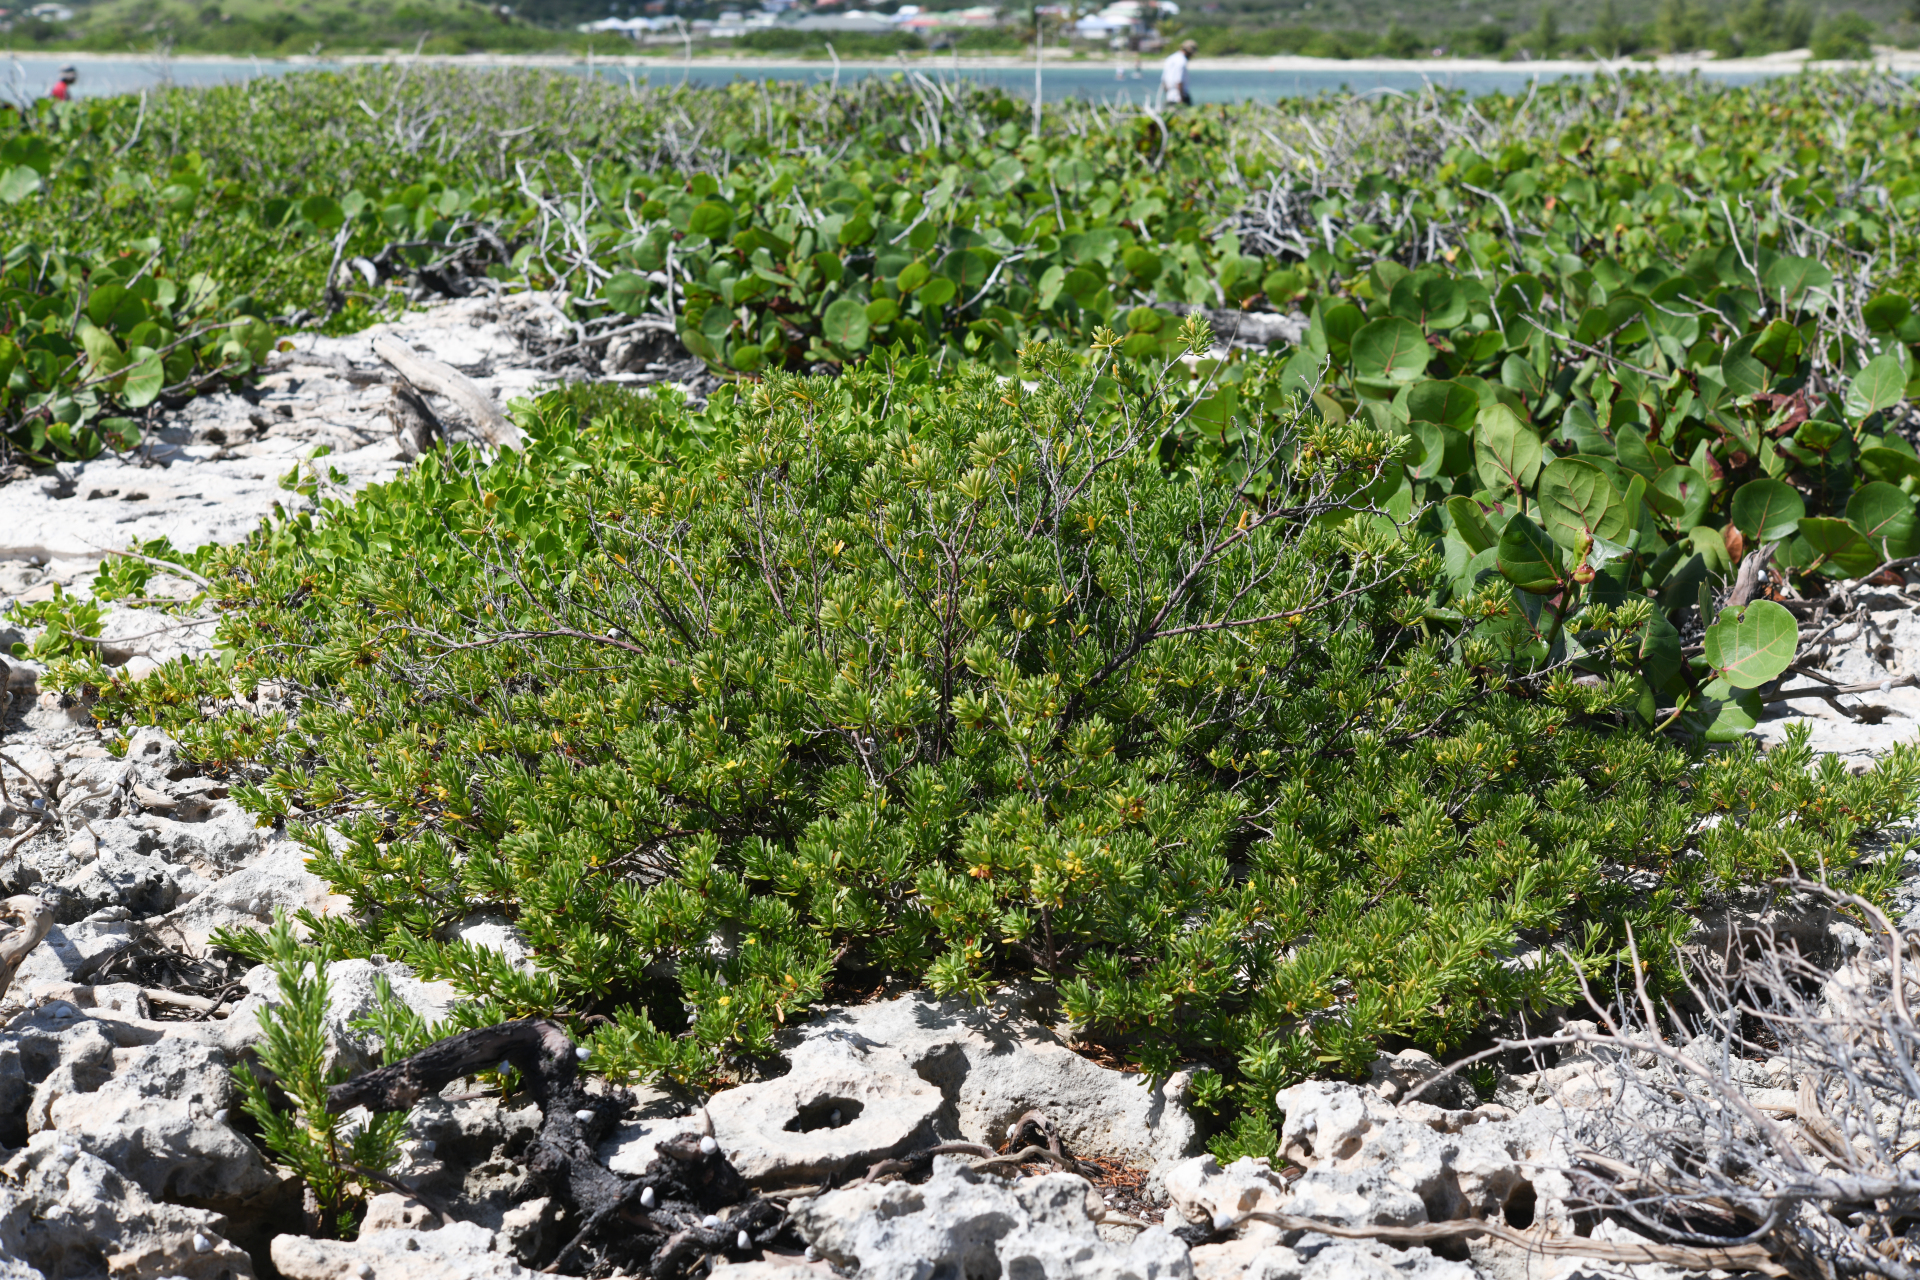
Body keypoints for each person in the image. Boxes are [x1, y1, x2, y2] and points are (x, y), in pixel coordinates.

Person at [1161, 39, 1195, 107]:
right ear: (1188, 52)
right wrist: (1181, 100)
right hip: (1180, 97)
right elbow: (1179, 81)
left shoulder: (1170, 58)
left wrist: (1167, 95)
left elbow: (1164, 80)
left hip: (1170, 96)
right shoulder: (1182, 61)